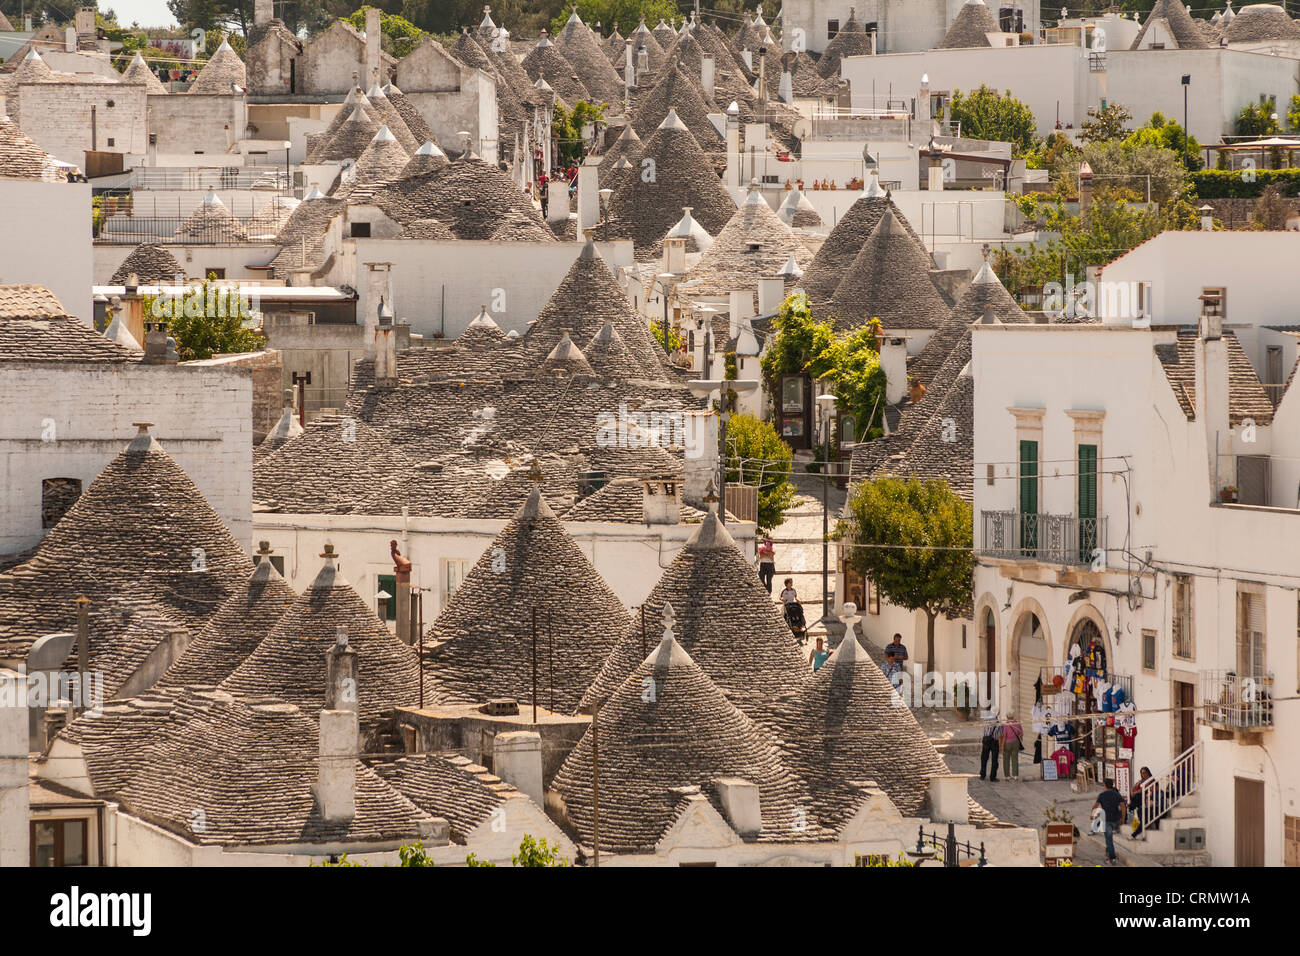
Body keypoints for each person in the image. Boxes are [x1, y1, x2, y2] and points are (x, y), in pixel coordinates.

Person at [1093, 779, 1127, 864]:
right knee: (1108, 838)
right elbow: (1123, 807)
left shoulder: (1101, 795)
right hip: (1115, 820)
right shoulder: (1117, 795)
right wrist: (1123, 818)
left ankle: (1112, 858)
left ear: (1105, 785)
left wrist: (1094, 815)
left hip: (1106, 820)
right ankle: (1108, 854)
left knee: (1109, 839)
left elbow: (1095, 807)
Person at [1130, 766, 1159, 838]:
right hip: (1140, 798)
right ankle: (1132, 806)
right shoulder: (1140, 781)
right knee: (1136, 803)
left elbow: (1144, 789)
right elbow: (1134, 787)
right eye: (1142, 773)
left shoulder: (1150, 780)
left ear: (1148, 772)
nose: (1143, 774)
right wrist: (1132, 791)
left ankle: (1131, 807)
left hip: (1145, 797)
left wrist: (1135, 792)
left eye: (1144, 772)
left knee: (1137, 798)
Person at [1000, 712, 1024, 781]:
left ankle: (1007, 776)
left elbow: (1004, 736)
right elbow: (1021, 734)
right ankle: (1015, 775)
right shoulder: (1017, 724)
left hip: (1007, 743)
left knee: (1006, 759)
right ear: (1013, 717)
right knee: (1015, 759)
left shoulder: (1006, 725)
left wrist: (1002, 745)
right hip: (1015, 742)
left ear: (1007, 717)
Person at [979, 710, 1001, 781]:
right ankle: (992, 777)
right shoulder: (998, 722)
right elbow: (1000, 734)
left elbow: (984, 729)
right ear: (998, 713)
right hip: (994, 741)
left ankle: (982, 775)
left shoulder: (985, 719)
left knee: (984, 758)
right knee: (994, 760)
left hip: (986, 740)